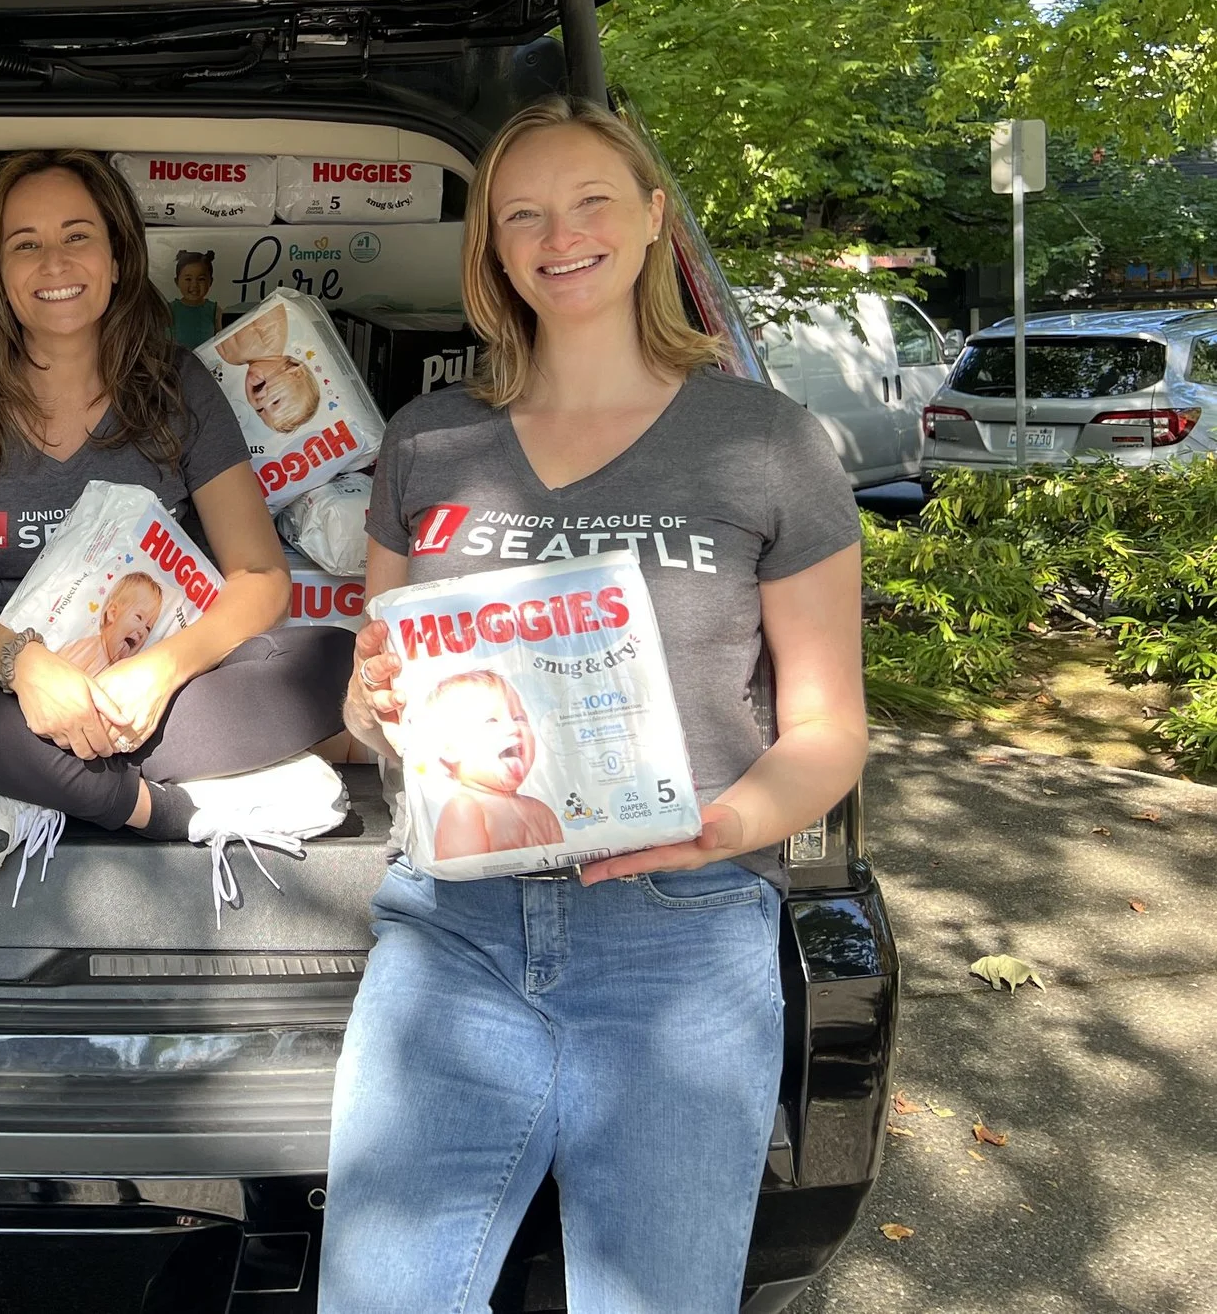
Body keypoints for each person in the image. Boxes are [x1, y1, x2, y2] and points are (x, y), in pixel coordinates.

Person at [321, 98, 868, 1313]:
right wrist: (373, 698)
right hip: (451, 930)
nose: (557, 235)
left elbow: (829, 728)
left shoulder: (767, 441)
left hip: (683, 936)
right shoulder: (427, 442)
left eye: (590, 202)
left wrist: (724, 827)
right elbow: (374, 709)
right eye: (522, 214)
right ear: (494, 250)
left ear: (652, 220)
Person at [0, 148, 352, 882]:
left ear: (115, 256)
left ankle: (13, 789)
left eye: (77, 235)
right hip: (0, 691)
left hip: (150, 698)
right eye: (25, 244)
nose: (55, 262)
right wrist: (26, 667)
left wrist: (161, 671)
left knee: (331, 662)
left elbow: (262, 576)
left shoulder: (177, 382)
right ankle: (156, 809)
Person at [412, 669, 564, 859]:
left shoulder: (541, 811)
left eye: (519, 718)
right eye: (491, 720)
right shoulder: (466, 809)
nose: (513, 728)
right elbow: (466, 883)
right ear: (450, 749)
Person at [213, 306, 323, 433]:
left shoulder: (232, 360)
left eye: (260, 410)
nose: (261, 402)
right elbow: (271, 302)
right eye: (275, 401)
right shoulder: (273, 335)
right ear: (295, 372)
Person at [170, 249, 221, 348]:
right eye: (188, 279)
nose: (194, 285)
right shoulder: (168, 310)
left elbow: (220, 343)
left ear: (210, 281)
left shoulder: (215, 311)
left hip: (205, 362)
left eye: (201, 279)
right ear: (177, 281)